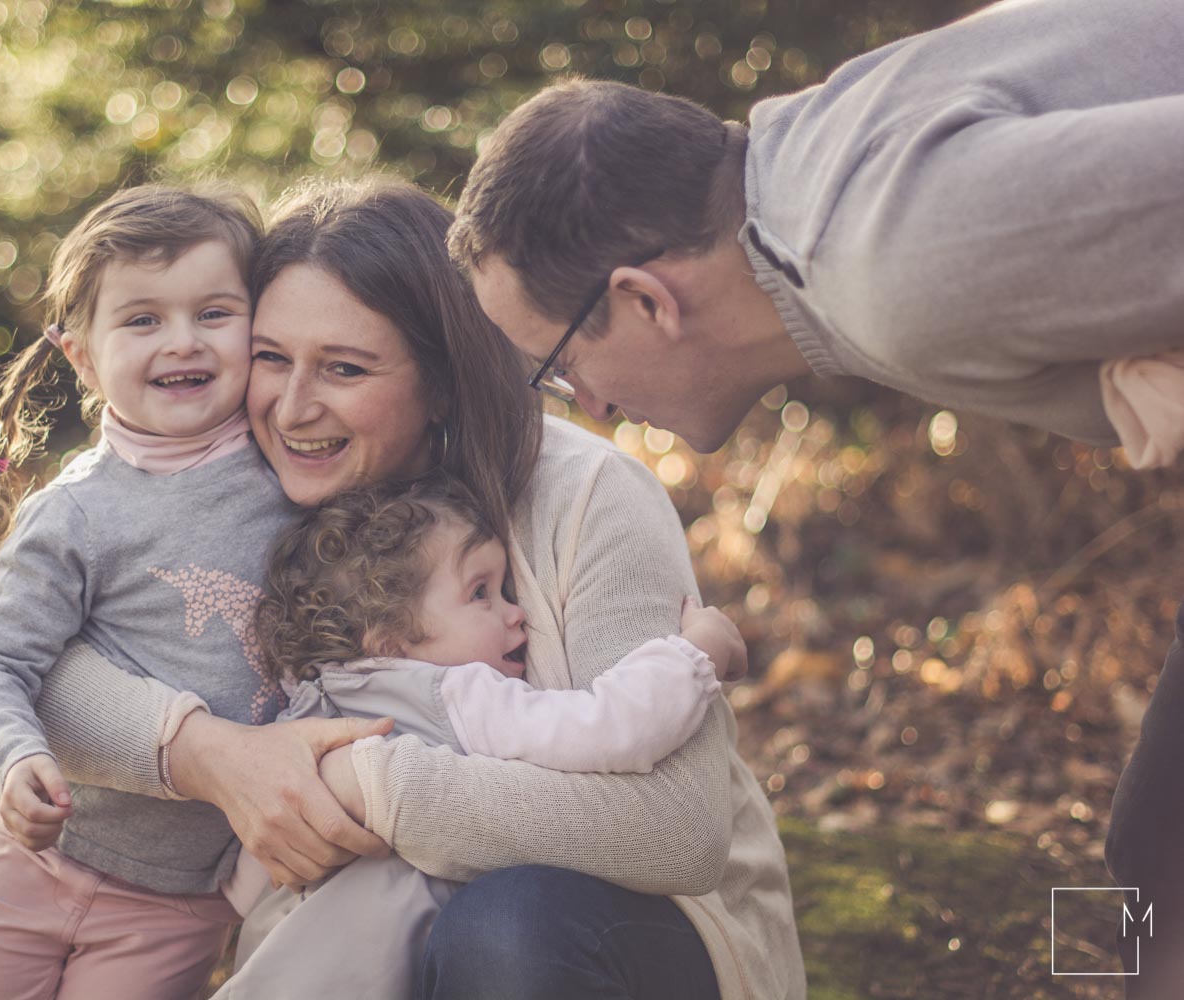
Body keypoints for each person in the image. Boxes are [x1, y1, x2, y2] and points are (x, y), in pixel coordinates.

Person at [444, 0, 1183, 992]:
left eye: (564, 369)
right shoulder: (812, 191)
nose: (599, 408)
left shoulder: (898, 259)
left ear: (645, 299)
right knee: (1154, 854)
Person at [29, 179, 807, 1000]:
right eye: (271, 357)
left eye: (345, 367)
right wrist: (215, 758)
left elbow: (673, 836)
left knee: (505, 923)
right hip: (356, 937)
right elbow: (33, 669)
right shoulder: (242, 485)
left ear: (441, 378)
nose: (293, 409)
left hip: (624, 938)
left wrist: (374, 787)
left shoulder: (589, 498)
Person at [0, 185, 390, 1000]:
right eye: (143, 320)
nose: (184, 342)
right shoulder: (74, 514)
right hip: (34, 863)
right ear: (80, 355)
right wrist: (15, 758)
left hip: (177, 900)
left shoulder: (296, 475)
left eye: (215, 313)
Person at [219, 473, 737, 997]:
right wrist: (695, 657)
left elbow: (249, 880)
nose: (516, 615)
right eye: (481, 593)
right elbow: (610, 726)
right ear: (393, 640)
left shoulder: (304, 719)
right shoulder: (457, 696)